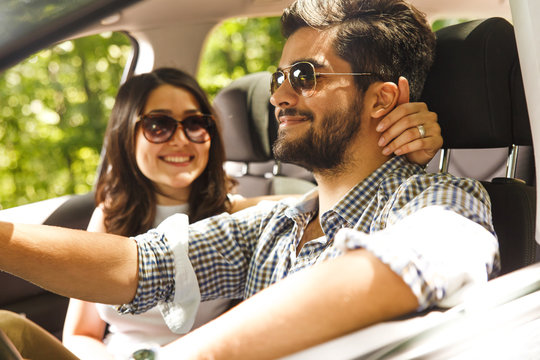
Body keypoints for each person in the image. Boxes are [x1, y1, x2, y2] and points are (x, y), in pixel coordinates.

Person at [0, 0, 498, 358]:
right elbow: (140, 264)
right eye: (279, 77)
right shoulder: (275, 224)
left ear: (381, 100)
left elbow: (417, 258)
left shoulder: (438, 199)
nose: (279, 96)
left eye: (305, 75)